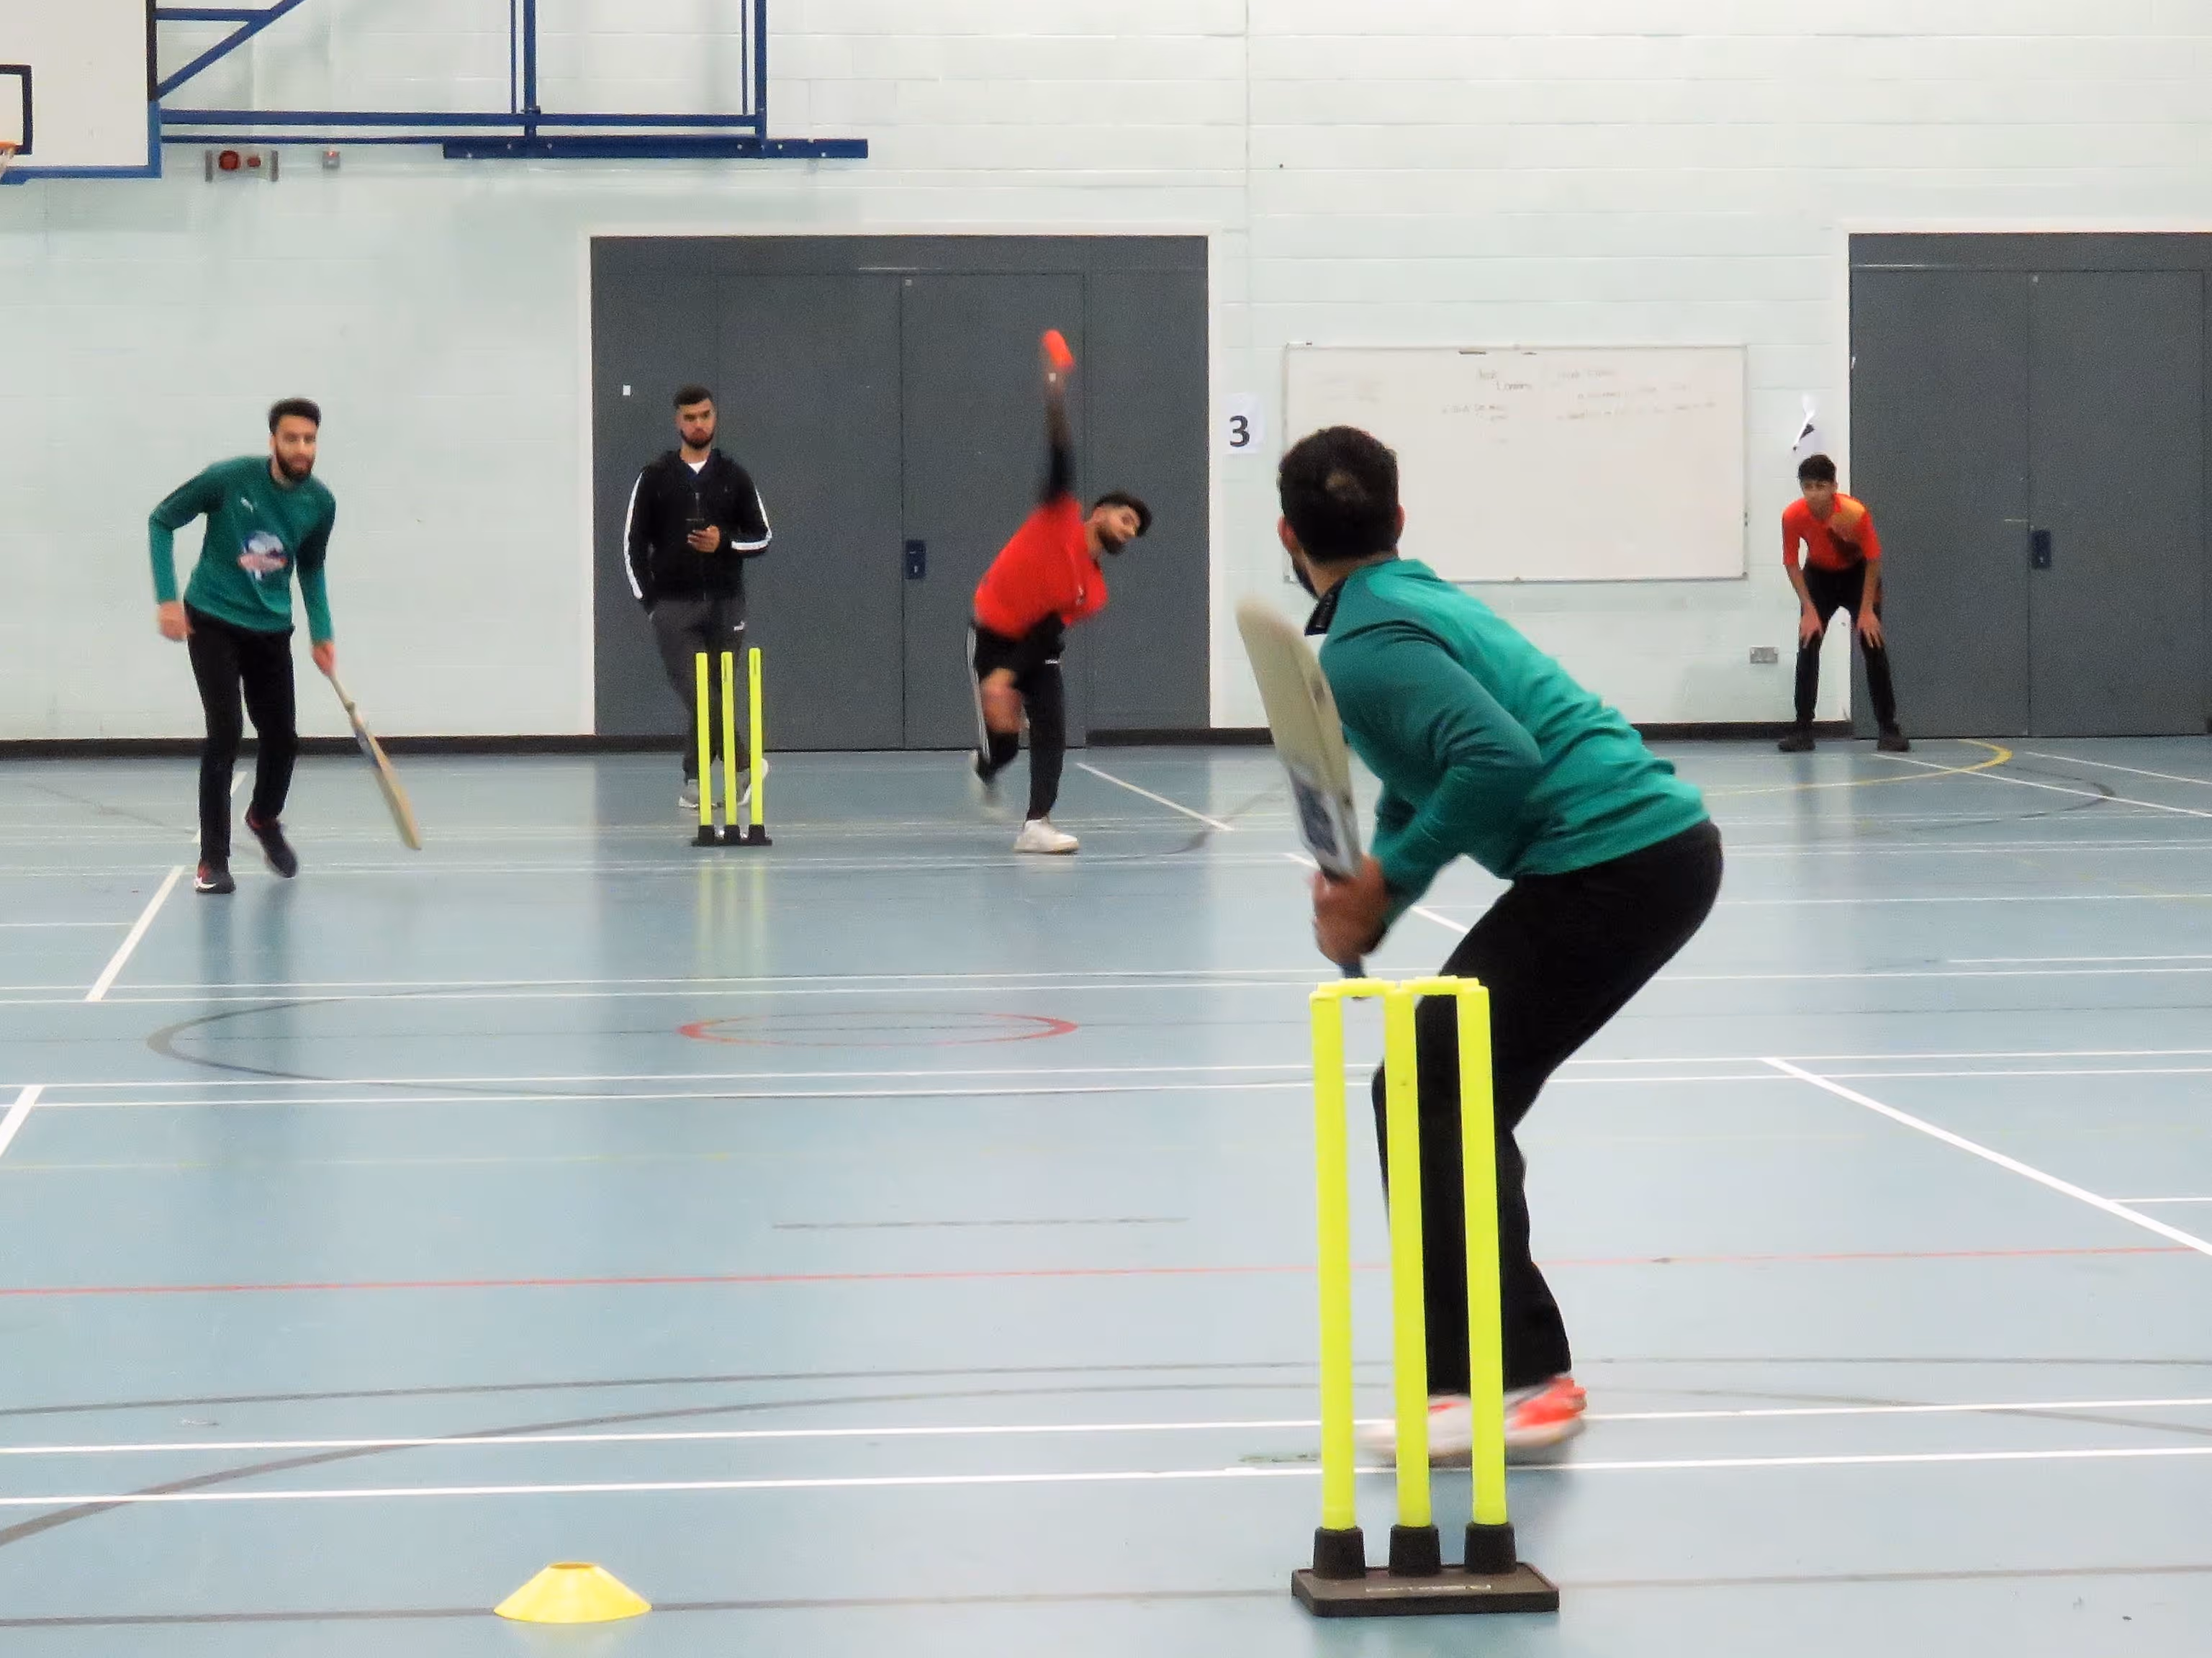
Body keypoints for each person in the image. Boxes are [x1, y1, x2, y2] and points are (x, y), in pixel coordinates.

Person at [1283, 425, 1723, 1457]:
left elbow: (1497, 758)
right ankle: (1514, 1372)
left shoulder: (1364, 643)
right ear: (1397, 518)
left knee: (1431, 1084)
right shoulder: (1408, 599)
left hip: (1619, 861)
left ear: (1285, 533)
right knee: (1450, 1086)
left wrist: (1384, 881)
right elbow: (1424, 778)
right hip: (1637, 856)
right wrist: (1380, 897)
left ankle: (1510, 1380)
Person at [150, 398, 338, 897]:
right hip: (211, 618)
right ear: (273, 441)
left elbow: (312, 567)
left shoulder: (320, 503)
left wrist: (322, 632)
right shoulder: (230, 478)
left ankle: (263, 815)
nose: (302, 448)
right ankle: (213, 860)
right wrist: (168, 599)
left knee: (283, 738)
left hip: (271, 628)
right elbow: (162, 520)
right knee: (226, 732)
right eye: (292, 438)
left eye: (310, 439)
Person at [969, 340, 1150, 855]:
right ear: (1098, 513)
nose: (1129, 531)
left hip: (1032, 646)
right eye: (1125, 519)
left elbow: (1047, 630)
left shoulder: (1093, 591)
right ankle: (985, 765)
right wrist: (1054, 397)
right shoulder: (1058, 516)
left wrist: (1008, 679)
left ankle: (1036, 823)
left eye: (1135, 530)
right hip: (989, 628)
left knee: (1051, 721)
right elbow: (1060, 457)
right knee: (1003, 743)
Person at [624, 386, 772, 811]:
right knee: (697, 692)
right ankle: (746, 764)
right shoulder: (655, 477)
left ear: (715, 417)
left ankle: (694, 779)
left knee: (715, 693)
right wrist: (650, 604)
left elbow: (762, 537)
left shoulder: (734, 477)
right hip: (673, 606)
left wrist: (723, 543)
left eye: (705, 415)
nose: (698, 424)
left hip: (727, 603)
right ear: (678, 422)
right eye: (690, 417)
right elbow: (632, 545)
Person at [1779, 454, 1908, 753]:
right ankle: (1802, 730)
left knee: (1873, 644)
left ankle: (1889, 728)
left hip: (1858, 576)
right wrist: (1809, 610)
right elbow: (1791, 563)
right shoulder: (1793, 516)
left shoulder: (1853, 513)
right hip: (1819, 578)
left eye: (1821, 486)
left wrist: (1865, 611)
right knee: (1808, 645)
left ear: (1834, 486)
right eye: (1808, 486)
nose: (1814, 493)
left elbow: (1874, 558)